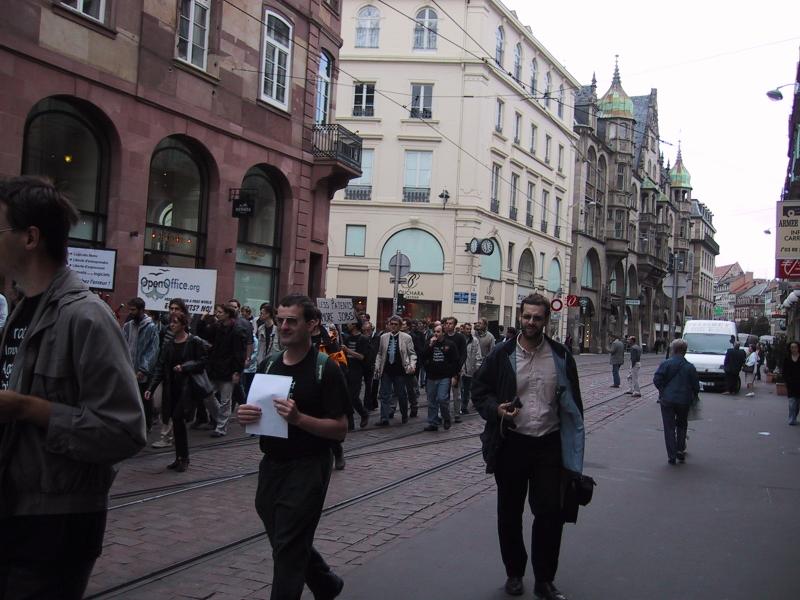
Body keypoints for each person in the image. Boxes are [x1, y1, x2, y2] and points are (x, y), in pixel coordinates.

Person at [0, 176, 146, 598]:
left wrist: (27, 409)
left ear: (30, 238)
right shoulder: (21, 311)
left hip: (55, 524)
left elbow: (124, 431)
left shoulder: (86, 317)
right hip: (13, 507)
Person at [472, 294, 585, 600]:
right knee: (509, 512)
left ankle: (545, 580)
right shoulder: (502, 353)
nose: (531, 322)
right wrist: (496, 410)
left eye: (537, 317)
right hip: (512, 442)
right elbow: (479, 391)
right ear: (519, 317)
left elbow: (574, 404)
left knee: (550, 513)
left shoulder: (561, 356)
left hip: (549, 443)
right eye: (526, 316)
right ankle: (514, 572)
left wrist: (574, 452)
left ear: (546, 320)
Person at [237, 294, 348, 600]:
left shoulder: (326, 369)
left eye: (292, 321)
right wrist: (245, 415)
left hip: (309, 465)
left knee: (287, 545)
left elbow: (340, 429)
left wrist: (299, 419)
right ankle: (325, 583)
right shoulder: (269, 364)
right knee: (285, 537)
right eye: (280, 320)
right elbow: (257, 414)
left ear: (312, 325)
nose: (284, 327)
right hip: (272, 463)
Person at [145, 312, 208, 472]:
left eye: (175, 322)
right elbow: (160, 367)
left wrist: (185, 367)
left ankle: (184, 458)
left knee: (179, 418)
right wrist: (151, 388)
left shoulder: (193, 341)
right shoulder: (168, 344)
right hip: (171, 387)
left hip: (187, 388)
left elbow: (202, 362)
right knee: (175, 421)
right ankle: (179, 457)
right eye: (171, 322)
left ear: (183, 324)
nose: (172, 325)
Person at [199, 304, 244, 437]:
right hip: (215, 368)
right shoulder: (217, 327)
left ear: (227, 314)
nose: (217, 314)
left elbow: (239, 353)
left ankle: (221, 427)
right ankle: (221, 418)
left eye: (220, 312)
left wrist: (237, 371)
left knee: (225, 400)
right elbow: (203, 334)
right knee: (207, 395)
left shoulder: (237, 330)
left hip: (228, 369)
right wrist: (202, 320)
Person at [653, 339, 700, 465]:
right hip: (684, 400)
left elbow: (657, 379)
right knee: (682, 425)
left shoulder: (666, 364)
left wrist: (663, 391)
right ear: (685, 351)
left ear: (673, 350)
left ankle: (672, 455)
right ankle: (680, 449)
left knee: (669, 427)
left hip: (667, 400)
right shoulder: (690, 367)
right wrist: (693, 395)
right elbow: (696, 386)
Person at [122, 297, 161, 433]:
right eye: (130, 309)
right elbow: (123, 344)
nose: (131, 312)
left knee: (145, 399)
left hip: (143, 371)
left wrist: (143, 369)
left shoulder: (151, 327)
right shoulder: (128, 326)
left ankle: (146, 425)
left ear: (141, 310)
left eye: (133, 310)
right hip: (129, 368)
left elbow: (153, 350)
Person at [373, 315, 417, 426]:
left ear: (400, 326)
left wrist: (412, 365)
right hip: (386, 370)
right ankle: (384, 418)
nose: (393, 326)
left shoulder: (406, 337)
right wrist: (377, 366)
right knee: (385, 395)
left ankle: (404, 415)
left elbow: (412, 353)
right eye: (391, 324)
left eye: (396, 324)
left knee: (401, 395)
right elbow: (380, 353)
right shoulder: (383, 337)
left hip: (400, 371)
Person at [421, 324, 460, 431]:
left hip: (444, 377)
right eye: (435, 331)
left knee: (442, 399)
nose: (436, 334)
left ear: (443, 333)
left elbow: (455, 361)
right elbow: (423, 355)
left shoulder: (450, 344)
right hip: (431, 376)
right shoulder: (429, 343)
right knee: (431, 401)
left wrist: (454, 375)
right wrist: (430, 345)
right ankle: (433, 423)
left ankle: (446, 417)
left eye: (438, 332)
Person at [342, 320, 370, 428]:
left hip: (357, 371)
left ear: (354, 325)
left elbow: (361, 356)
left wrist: (348, 350)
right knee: (346, 397)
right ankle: (350, 423)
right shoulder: (347, 338)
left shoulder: (363, 339)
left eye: (349, 323)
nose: (347, 325)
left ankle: (364, 413)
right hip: (346, 370)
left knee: (353, 396)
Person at [460, 322, 483, 414]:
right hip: (460, 369)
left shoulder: (475, 340)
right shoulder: (460, 339)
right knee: (461, 389)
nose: (469, 331)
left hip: (470, 369)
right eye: (467, 329)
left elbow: (478, 354)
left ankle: (464, 406)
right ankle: (460, 406)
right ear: (463, 329)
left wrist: (477, 367)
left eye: (470, 329)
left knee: (467, 389)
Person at [782, 341, 800, 426]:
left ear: (798, 348)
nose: (793, 349)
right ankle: (792, 419)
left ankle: (794, 416)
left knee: (797, 404)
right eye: (792, 347)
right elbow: (784, 371)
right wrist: (786, 381)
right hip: (791, 384)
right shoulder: (787, 358)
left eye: (795, 347)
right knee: (792, 403)